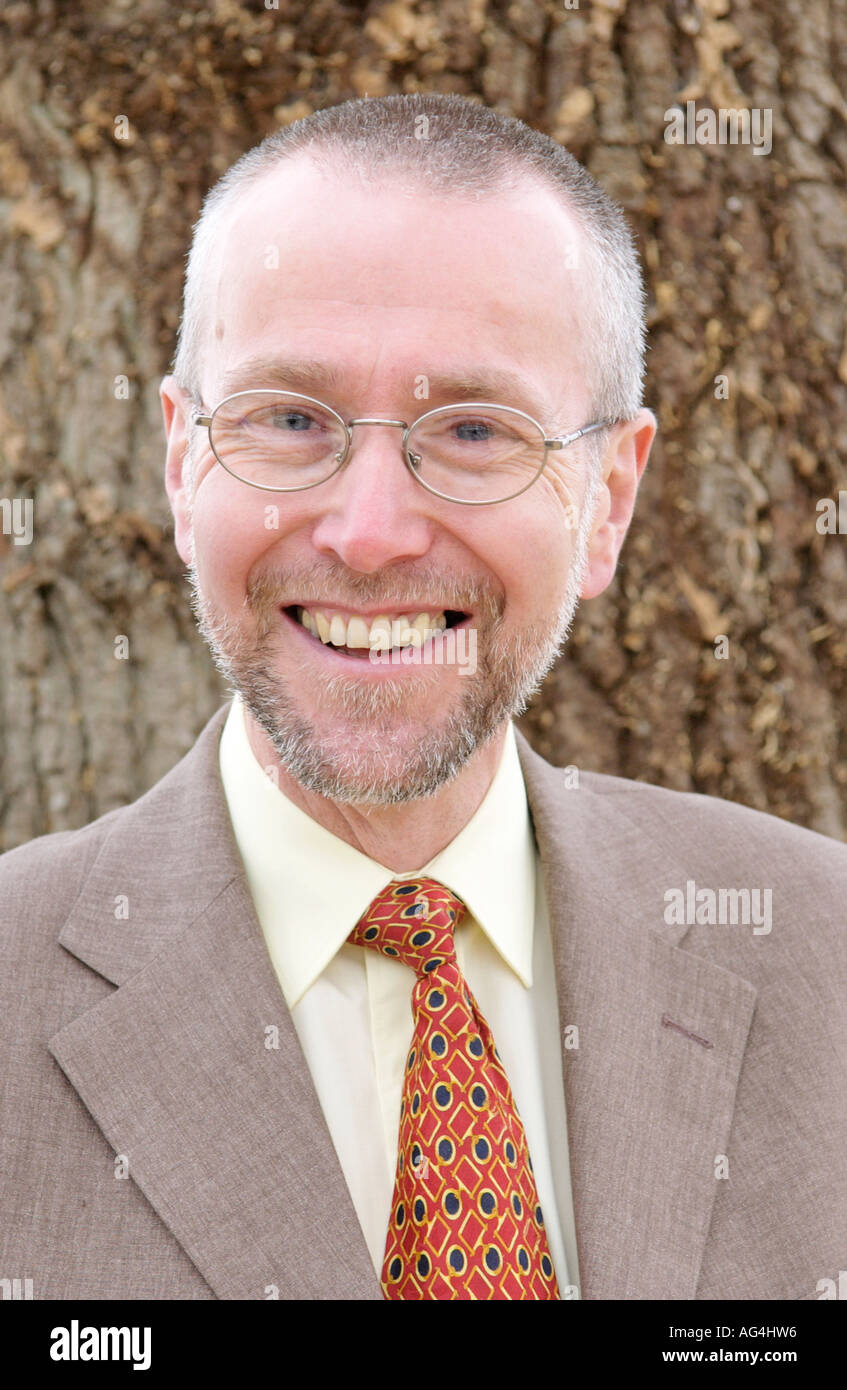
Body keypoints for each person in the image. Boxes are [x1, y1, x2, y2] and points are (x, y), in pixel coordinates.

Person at [1, 92, 845, 1303]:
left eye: (472, 430)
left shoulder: (826, 957)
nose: (371, 532)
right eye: (289, 419)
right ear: (184, 464)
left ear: (607, 499)